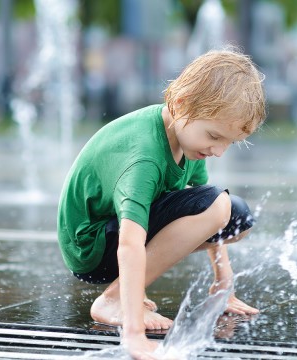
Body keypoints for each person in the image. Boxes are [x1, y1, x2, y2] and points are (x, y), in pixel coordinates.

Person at [57, 48, 266, 359]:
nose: (219, 151)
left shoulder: (188, 140)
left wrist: (224, 285)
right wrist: (134, 335)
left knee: (237, 216)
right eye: (214, 136)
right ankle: (113, 299)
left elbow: (212, 212)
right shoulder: (144, 156)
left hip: (115, 234)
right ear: (181, 103)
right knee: (219, 206)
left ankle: (125, 294)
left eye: (228, 142)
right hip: (92, 247)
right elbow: (129, 243)